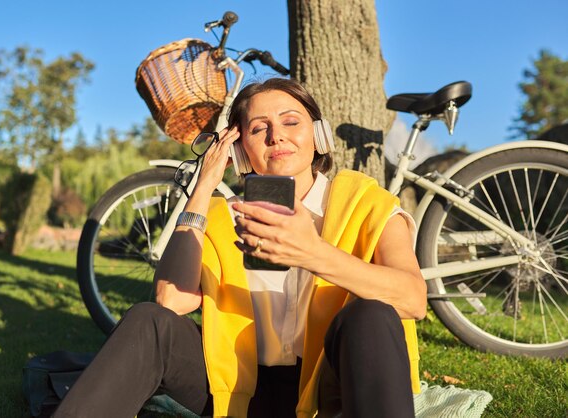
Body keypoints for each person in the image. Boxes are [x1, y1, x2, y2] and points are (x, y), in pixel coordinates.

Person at [54, 78, 427, 418]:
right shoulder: (218, 216)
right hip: (235, 387)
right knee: (148, 320)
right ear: (240, 150)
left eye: (291, 122)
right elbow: (170, 301)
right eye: (258, 128)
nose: (276, 136)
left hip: (325, 386)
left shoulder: (368, 203)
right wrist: (202, 190)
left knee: (371, 315)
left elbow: (413, 299)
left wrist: (311, 253)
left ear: (320, 136)